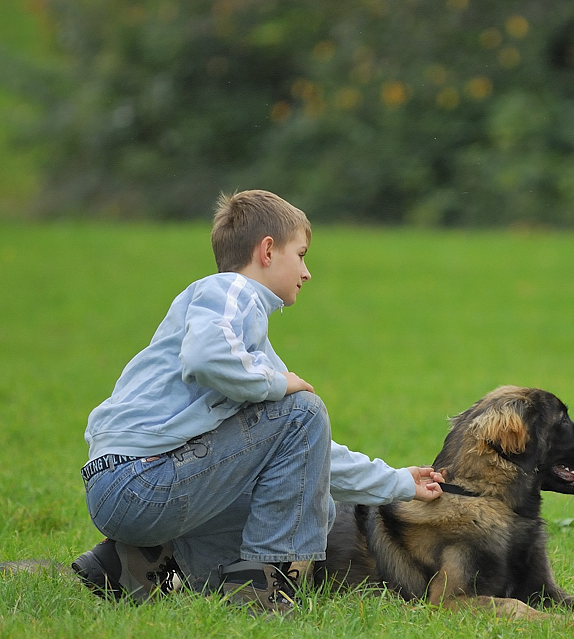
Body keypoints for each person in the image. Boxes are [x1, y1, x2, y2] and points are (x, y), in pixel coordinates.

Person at [72, 189, 443, 613]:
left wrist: (398, 483)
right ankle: (261, 589)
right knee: (303, 410)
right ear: (267, 250)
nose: (307, 272)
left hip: (133, 487)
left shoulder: (247, 348)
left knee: (314, 498)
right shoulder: (231, 291)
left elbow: (311, 461)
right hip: (140, 481)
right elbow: (206, 357)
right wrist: (279, 384)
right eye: (301, 255)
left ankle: (132, 566)